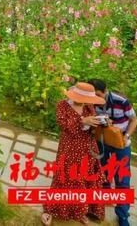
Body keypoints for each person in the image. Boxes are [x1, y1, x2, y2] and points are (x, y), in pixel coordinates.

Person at [41, 82, 106, 226]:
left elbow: (92, 130)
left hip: (87, 148)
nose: (83, 102)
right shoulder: (62, 106)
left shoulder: (89, 107)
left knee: (82, 179)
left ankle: (80, 211)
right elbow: (63, 124)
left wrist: (99, 123)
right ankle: (50, 210)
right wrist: (82, 120)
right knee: (63, 177)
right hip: (69, 147)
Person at [89, 78, 137, 226]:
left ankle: (123, 215)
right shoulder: (89, 101)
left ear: (105, 91)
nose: (95, 98)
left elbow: (134, 120)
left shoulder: (121, 101)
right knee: (102, 173)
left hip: (120, 143)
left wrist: (126, 137)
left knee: (122, 178)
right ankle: (103, 201)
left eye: (97, 94)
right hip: (102, 142)